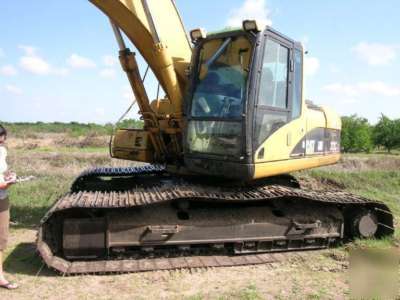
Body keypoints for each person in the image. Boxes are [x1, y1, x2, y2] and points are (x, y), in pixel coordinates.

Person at [0, 125, 18, 290]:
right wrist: (7, 183)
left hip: (2, 199)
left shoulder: (2, 151)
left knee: (1, 238)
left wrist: (8, 175)